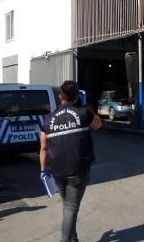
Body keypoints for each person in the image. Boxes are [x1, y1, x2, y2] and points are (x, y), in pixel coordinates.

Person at [39, 81, 101, 242]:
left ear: (60, 97)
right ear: (77, 97)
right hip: (77, 170)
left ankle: (73, 239)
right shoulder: (83, 112)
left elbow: (43, 148)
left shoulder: (48, 119)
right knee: (71, 207)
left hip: (56, 171)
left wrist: (42, 169)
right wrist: (88, 108)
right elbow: (98, 124)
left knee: (67, 206)